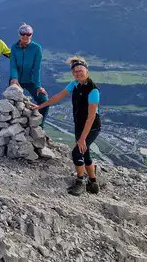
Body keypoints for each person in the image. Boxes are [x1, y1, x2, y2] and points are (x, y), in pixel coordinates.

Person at [30, 56, 101, 196]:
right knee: (84, 153)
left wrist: (82, 138)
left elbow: (91, 117)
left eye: (81, 70)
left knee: (76, 152)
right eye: (75, 71)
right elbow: (59, 96)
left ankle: (80, 182)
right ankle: (93, 183)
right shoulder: (74, 84)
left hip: (91, 127)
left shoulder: (93, 90)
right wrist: (40, 105)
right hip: (80, 125)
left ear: (87, 71)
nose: (78, 73)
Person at [9, 23, 48, 127]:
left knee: (44, 100)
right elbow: (13, 65)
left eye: (28, 34)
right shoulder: (14, 47)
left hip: (31, 81)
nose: (25, 36)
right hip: (16, 80)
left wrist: (38, 86)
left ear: (31, 35)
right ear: (19, 34)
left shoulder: (36, 48)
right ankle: (13, 126)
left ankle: (40, 127)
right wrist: (14, 79)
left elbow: (36, 68)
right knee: (11, 103)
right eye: (23, 33)